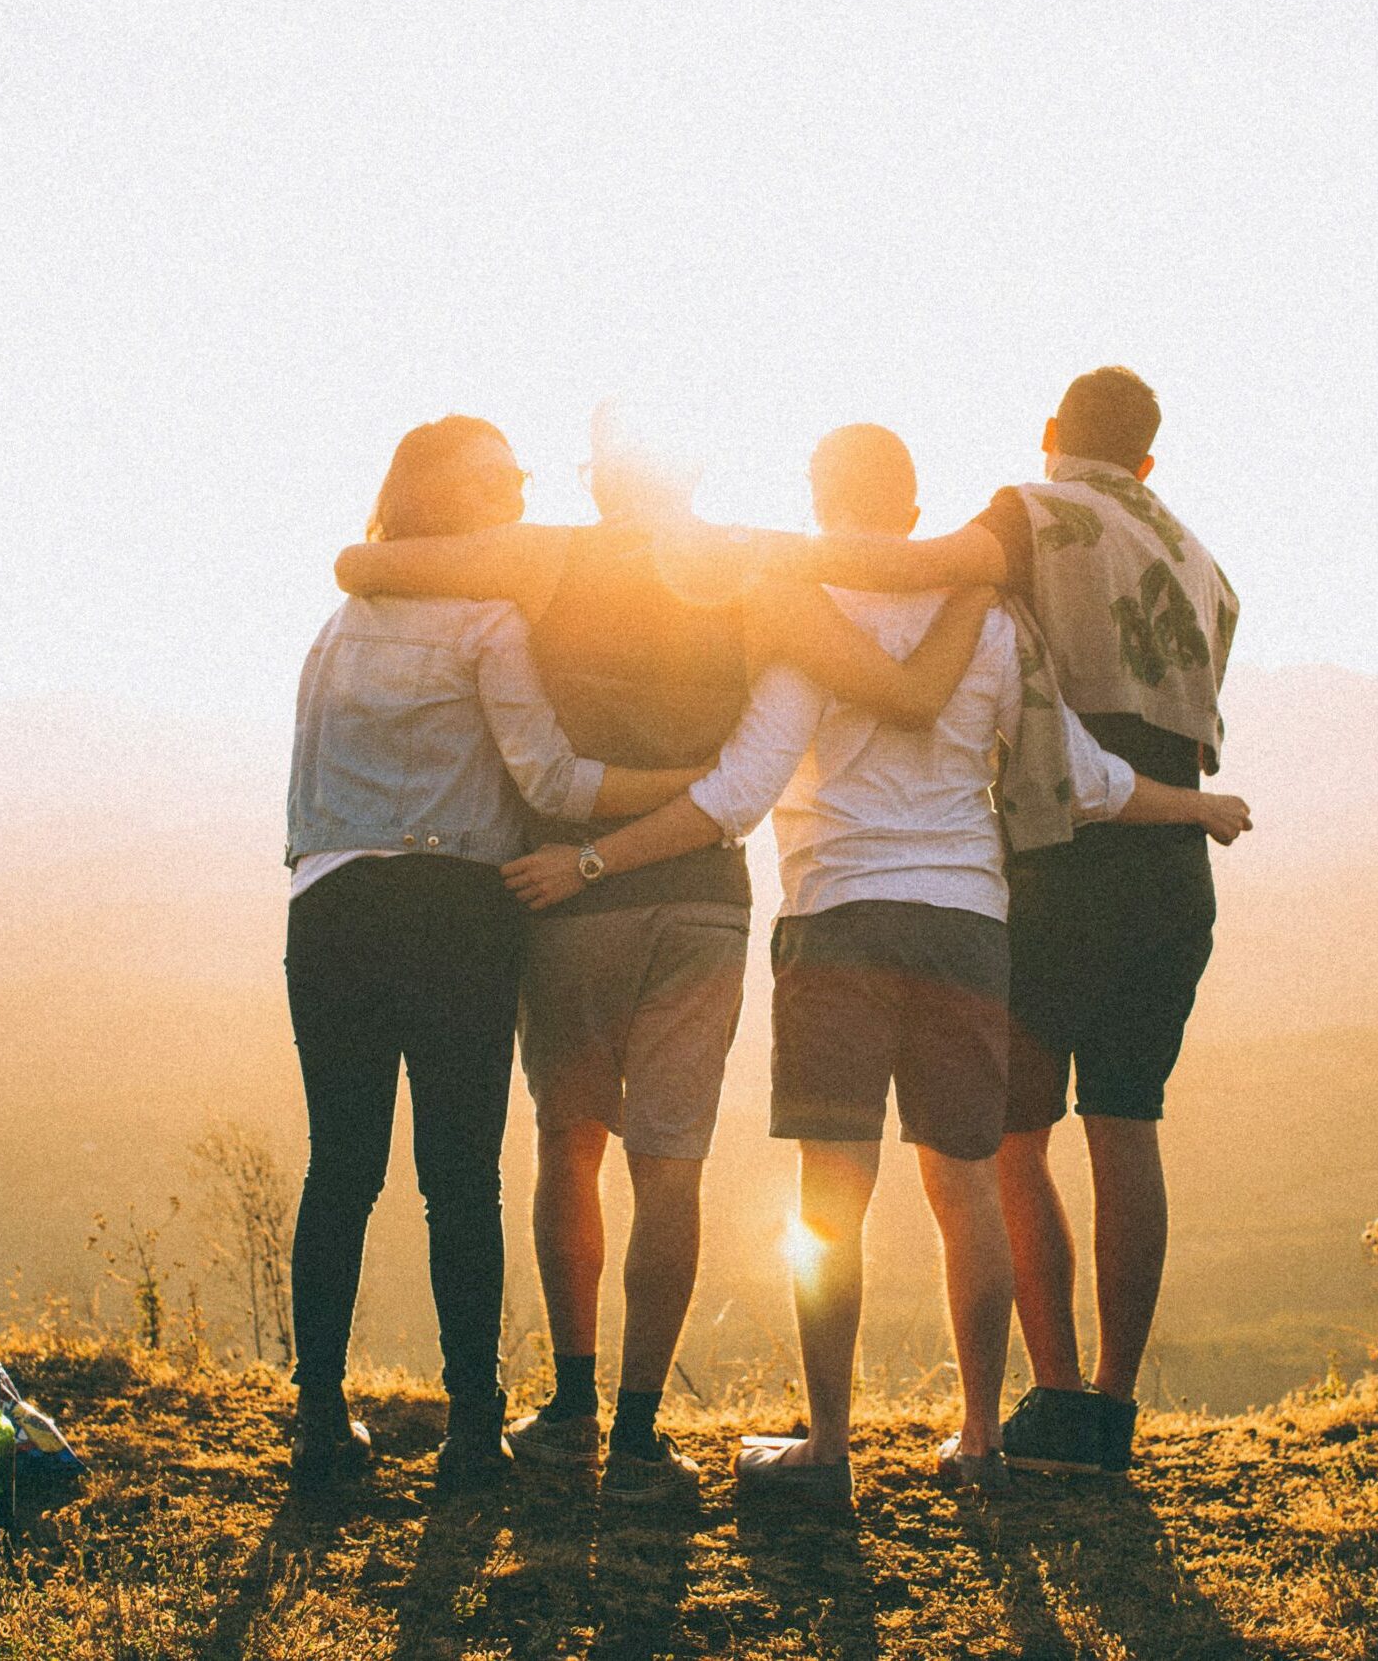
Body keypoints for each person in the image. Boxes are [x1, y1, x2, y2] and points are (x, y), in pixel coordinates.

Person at [502, 423, 1250, 1504]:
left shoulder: (805, 615)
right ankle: (983, 1439)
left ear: (818, 500)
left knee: (831, 1200)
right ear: (912, 511)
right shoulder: (991, 622)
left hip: (838, 921)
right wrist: (1201, 807)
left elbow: (740, 793)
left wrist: (593, 858)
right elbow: (1084, 779)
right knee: (967, 1191)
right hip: (968, 928)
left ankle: (829, 1447)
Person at [336, 404, 993, 1505]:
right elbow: (897, 686)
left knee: (570, 1142)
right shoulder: (751, 569)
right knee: (670, 1163)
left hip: (567, 893)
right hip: (701, 900)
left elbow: (369, 563)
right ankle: (641, 1437)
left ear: (599, 481)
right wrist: (976, 578)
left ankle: (572, 1406)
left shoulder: (543, 560)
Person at [758, 369, 1243, 1477]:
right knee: (1129, 1125)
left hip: (1062, 855)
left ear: (1050, 435)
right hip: (1169, 860)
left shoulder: (1033, 513)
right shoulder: (1203, 561)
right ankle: (1108, 1413)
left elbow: (918, 570)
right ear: (1150, 461)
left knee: (1007, 1142)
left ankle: (1054, 1399)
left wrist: (757, 555)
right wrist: (1201, 808)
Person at [283, 415, 710, 1492]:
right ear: (453, 501)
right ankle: (474, 1427)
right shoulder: (488, 621)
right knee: (459, 1179)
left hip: (329, 908)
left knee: (341, 1168)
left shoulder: (338, 627)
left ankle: (320, 1420)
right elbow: (556, 786)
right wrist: (691, 788)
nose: (519, 494)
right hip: (456, 913)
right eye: (501, 481)